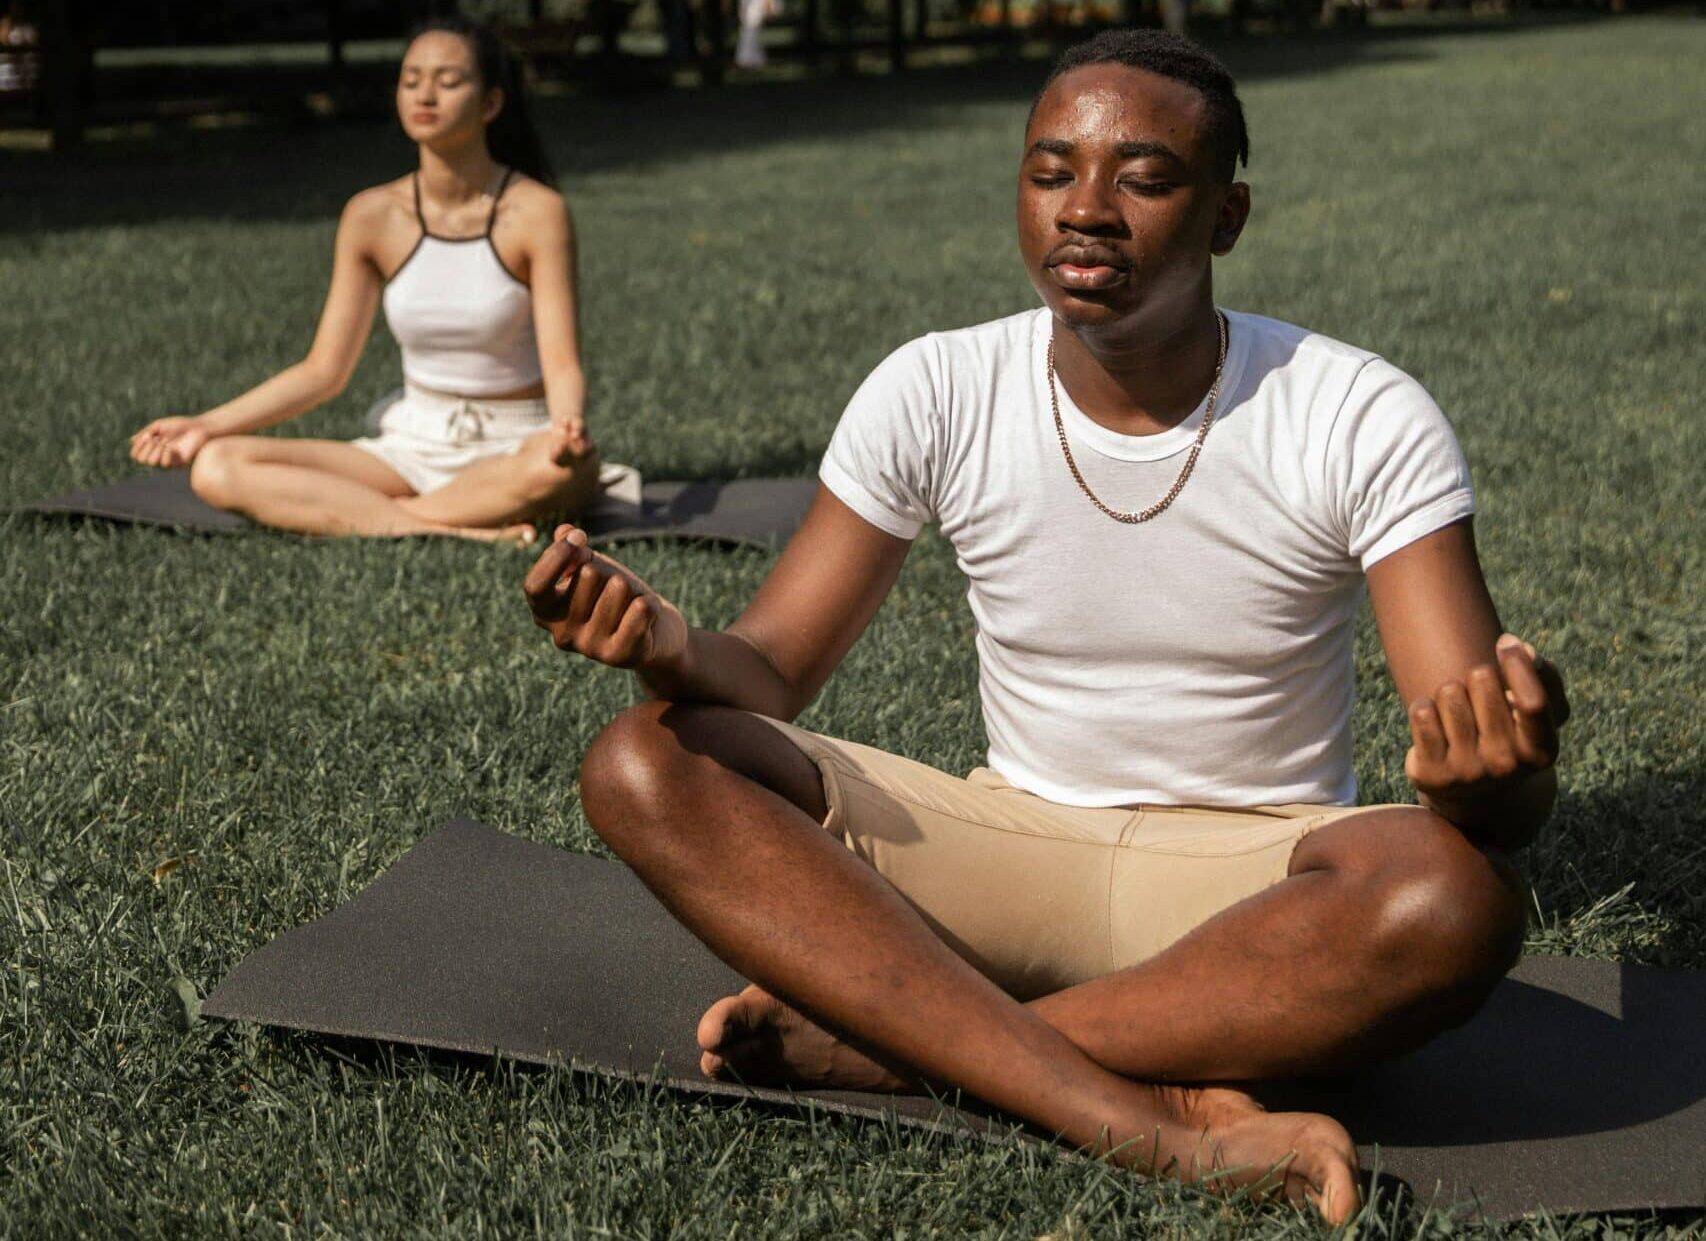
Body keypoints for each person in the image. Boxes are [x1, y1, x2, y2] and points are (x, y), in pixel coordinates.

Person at [522, 30, 1568, 1222]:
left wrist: (1499, 778)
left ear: (1225, 216)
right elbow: (765, 670)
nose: (1086, 209)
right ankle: (1142, 1116)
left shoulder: (1354, 410)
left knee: (1449, 896)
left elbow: (1484, 778)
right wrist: (667, 644)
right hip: (1003, 846)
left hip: (1249, 885)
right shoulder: (936, 386)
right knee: (644, 757)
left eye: (1144, 177)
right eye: (1049, 170)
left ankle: (896, 1047)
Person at [129, 17, 599, 543]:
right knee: (217, 465)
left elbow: (561, 361)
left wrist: (567, 426)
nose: (425, 93)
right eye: (411, 78)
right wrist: (206, 425)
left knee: (559, 472)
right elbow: (323, 370)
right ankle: (455, 528)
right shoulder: (372, 215)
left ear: (490, 103)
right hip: (411, 444)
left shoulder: (537, 212)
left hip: (516, 443)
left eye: (448, 81)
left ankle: (381, 517)